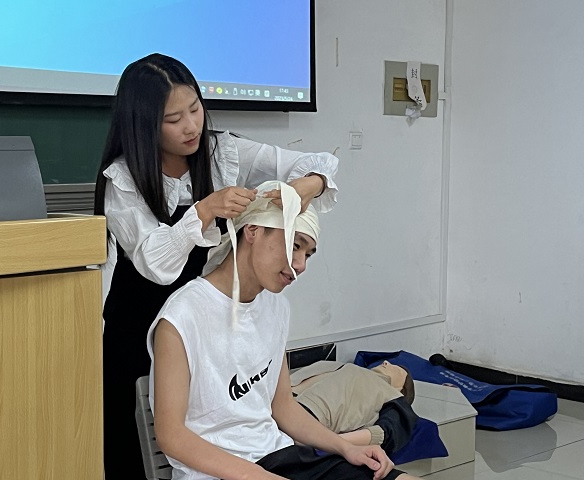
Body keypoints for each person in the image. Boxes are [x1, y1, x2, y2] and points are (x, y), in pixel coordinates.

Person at [93, 53, 339, 478]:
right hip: (135, 327)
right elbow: (156, 263)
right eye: (173, 119)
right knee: (134, 447)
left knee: (209, 428)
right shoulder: (124, 180)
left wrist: (306, 186)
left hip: (205, 320)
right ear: (144, 125)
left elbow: (320, 163)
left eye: (195, 109)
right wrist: (204, 210)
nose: (191, 126)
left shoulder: (222, 152)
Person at [147, 182, 421, 480]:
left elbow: (283, 407)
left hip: (279, 457)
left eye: (308, 254)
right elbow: (171, 436)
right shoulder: (183, 314)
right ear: (252, 231)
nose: (300, 265)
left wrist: (346, 448)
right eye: (294, 245)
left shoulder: (276, 308)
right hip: (217, 472)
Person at [290, 360, 418, 453]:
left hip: (306, 422)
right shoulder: (346, 368)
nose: (385, 362)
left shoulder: (391, 395)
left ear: (400, 389)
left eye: (395, 369)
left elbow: (388, 431)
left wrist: (328, 441)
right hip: (283, 405)